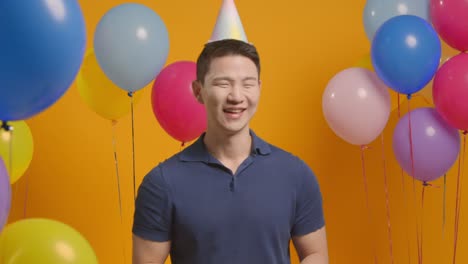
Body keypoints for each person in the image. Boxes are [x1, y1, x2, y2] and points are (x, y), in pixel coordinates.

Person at [132, 38, 328, 264]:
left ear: (259, 88)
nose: (236, 96)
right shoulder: (162, 183)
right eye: (223, 84)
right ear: (198, 91)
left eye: (247, 84)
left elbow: (316, 254)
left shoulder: (295, 174)